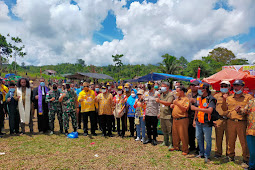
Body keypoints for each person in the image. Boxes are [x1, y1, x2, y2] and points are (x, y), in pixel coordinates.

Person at [222, 80, 253, 164]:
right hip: (231, 122)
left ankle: (246, 158)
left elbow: (251, 109)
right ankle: (230, 156)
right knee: (230, 140)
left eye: (238, 86)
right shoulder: (229, 98)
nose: (236, 87)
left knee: (244, 141)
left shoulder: (248, 97)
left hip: (242, 122)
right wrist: (224, 100)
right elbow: (224, 109)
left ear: (242, 87)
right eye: (235, 86)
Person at [192, 82, 217, 163]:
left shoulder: (211, 99)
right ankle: (201, 153)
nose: (198, 90)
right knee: (199, 137)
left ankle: (207, 155)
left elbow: (210, 110)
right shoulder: (199, 98)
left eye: (200, 88)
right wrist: (194, 120)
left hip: (207, 122)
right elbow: (196, 109)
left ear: (205, 89)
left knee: (207, 139)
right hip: (198, 121)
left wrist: (197, 109)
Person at [169, 86, 190, 155]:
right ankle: (176, 146)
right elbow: (177, 107)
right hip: (175, 119)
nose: (176, 92)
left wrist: (177, 104)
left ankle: (185, 149)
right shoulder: (177, 99)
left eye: (177, 91)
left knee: (183, 135)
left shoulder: (186, 100)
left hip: (182, 119)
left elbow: (185, 109)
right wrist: (173, 106)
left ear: (182, 91)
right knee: (175, 134)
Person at [213, 80, 231, 158]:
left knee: (229, 138)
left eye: (225, 86)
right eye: (222, 86)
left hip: (229, 120)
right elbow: (212, 108)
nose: (223, 88)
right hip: (219, 120)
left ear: (229, 87)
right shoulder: (216, 96)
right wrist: (213, 119)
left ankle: (229, 154)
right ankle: (218, 153)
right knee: (218, 137)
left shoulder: (233, 97)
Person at [155, 82, 174, 149]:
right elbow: (161, 105)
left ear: (167, 87)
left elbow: (168, 103)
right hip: (162, 115)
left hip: (168, 115)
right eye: (161, 86)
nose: (162, 88)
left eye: (164, 86)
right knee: (164, 129)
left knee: (170, 130)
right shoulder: (162, 95)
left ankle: (172, 143)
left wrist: (159, 101)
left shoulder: (170, 95)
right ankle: (165, 141)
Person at [143, 81, 160, 146]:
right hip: (147, 113)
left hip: (154, 113)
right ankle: (149, 138)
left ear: (153, 86)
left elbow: (159, 104)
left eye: (150, 85)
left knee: (154, 127)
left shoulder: (156, 93)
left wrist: (159, 113)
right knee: (148, 127)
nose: (149, 86)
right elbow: (144, 103)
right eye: (148, 85)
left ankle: (154, 139)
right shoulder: (146, 93)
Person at [187, 80, 200, 152]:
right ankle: (192, 146)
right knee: (190, 132)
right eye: (191, 85)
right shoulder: (188, 94)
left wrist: (195, 101)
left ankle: (199, 148)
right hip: (189, 116)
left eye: (194, 85)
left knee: (198, 134)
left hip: (198, 116)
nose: (192, 87)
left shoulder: (200, 95)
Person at [243, 98, 255, 170]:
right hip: (251, 130)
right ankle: (252, 166)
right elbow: (244, 111)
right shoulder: (251, 101)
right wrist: (239, 110)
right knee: (252, 151)